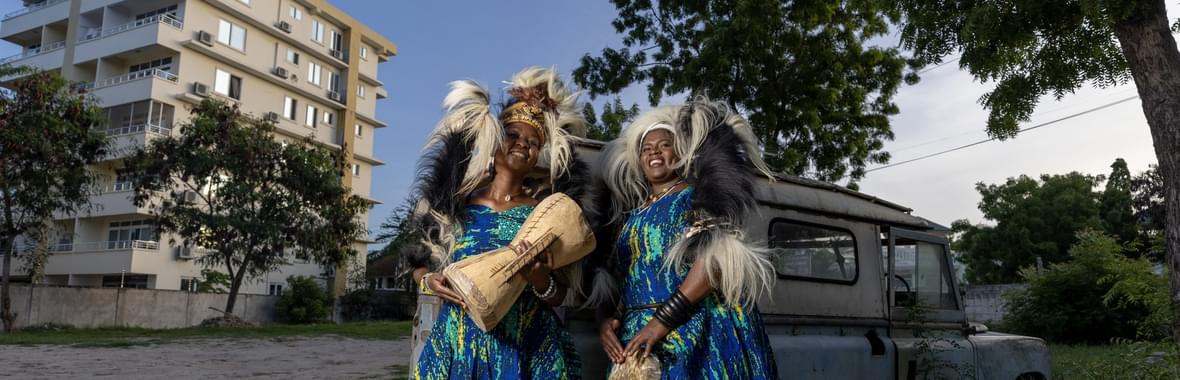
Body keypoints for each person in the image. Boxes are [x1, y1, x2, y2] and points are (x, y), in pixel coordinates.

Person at [407, 67, 590, 380]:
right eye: (513, 135)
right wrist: (429, 281)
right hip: (461, 341)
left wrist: (540, 280)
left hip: (527, 343)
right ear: (494, 141)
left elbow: (560, 294)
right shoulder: (456, 203)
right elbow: (417, 263)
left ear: (538, 155)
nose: (522, 144)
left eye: (533, 142)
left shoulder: (544, 212)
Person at [592, 101, 779, 379]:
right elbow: (621, 277)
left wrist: (660, 322)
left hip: (696, 334)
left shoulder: (694, 199)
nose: (654, 151)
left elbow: (714, 262)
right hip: (637, 341)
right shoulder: (629, 217)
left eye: (664, 145)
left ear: (679, 152)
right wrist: (605, 321)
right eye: (646, 148)